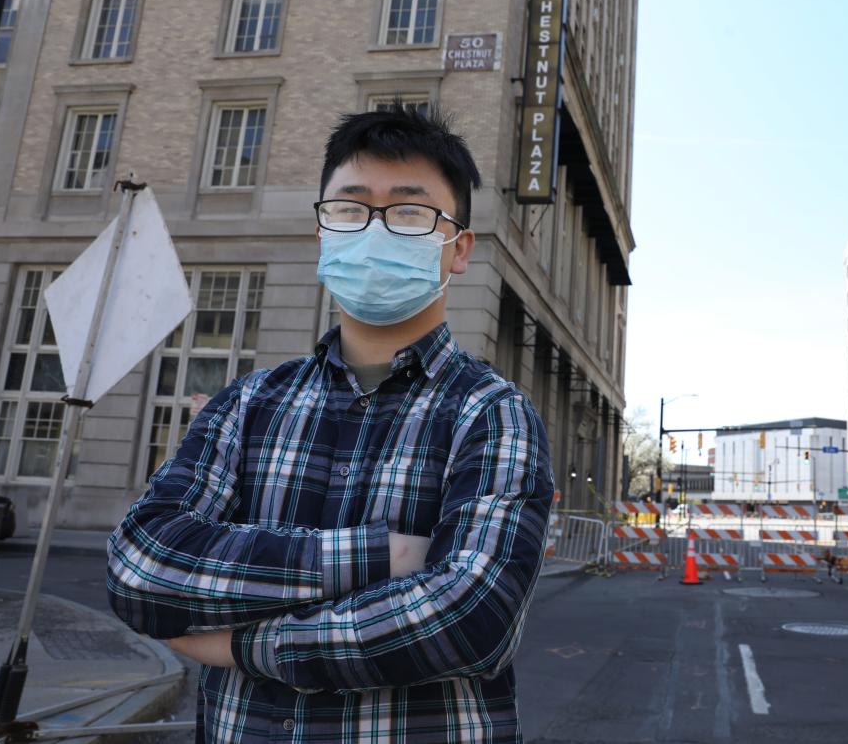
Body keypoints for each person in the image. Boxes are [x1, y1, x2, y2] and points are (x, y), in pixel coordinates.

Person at [107, 107, 554, 743]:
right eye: (350, 208)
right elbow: (139, 568)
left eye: (408, 212)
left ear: (458, 249)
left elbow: (469, 621)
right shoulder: (249, 403)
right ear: (323, 233)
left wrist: (243, 644)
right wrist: (384, 556)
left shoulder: (492, 413)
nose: (375, 228)